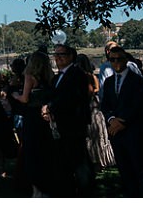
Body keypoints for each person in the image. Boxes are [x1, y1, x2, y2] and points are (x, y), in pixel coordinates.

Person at [101, 46, 143, 196]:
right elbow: (105, 104)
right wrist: (111, 119)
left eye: (119, 58)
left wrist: (123, 121)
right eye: (112, 59)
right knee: (124, 171)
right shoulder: (109, 82)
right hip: (116, 134)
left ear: (126, 60)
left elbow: (138, 105)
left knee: (140, 171)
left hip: (134, 132)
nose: (116, 62)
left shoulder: (137, 81)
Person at [45, 44, 92, 196]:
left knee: (79, 163)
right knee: (63, 164)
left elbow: (71, 98)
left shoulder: (77, 74)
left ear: (71, 56)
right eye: (56, 54)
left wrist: (51, 106)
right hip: (60, 126)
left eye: (62, 54)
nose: (57, 57)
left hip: (74, 125)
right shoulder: (58, 77)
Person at [13, 51, 55, 197]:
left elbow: (25, 98)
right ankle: (46, 186)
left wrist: (15, 96)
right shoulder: (50, 78)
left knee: (32, 152)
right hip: (45, 116)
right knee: (45, 151)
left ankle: (36, 189)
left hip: (32, 116)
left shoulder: (29, 76)